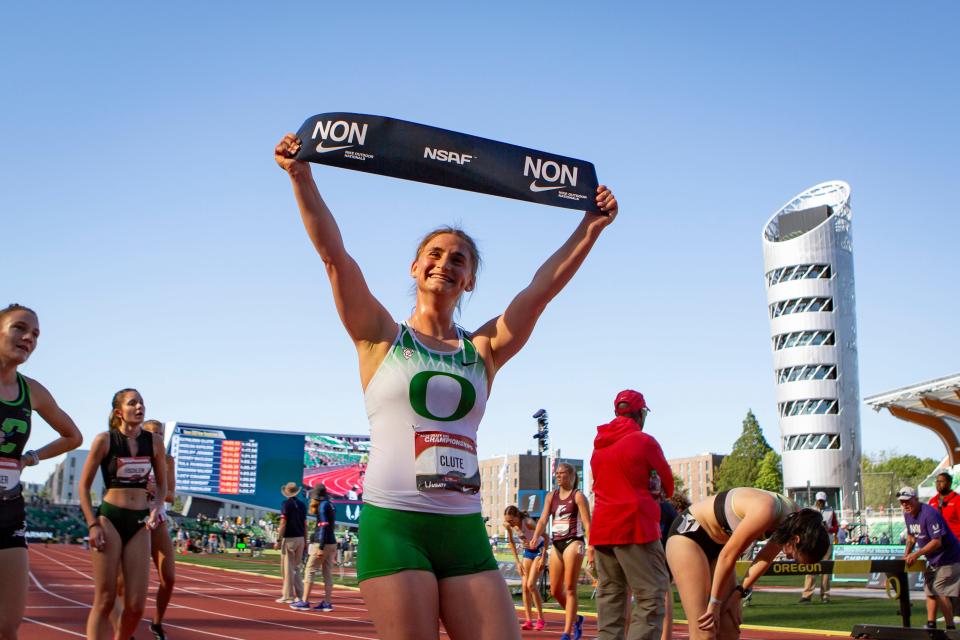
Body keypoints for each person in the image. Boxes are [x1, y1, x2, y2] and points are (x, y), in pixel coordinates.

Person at [275, 132, 617, 640]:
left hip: (463, 530)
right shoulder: (379, 336)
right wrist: (301, 176)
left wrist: (590, 228)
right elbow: (335, 257)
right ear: (415, 268)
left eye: (459, 259)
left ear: (470, 281)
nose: (445, 263)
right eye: (434, 254)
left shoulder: (483, 349)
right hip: (396, 525)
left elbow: (540, 292)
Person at [0, 304, 83, 639]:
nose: (28, 338)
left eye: (35, 334)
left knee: (8, 624)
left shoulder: (32, 391)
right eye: (19, 328)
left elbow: (73, 436)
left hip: (8, 511)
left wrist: (30, 458)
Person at [665, 488, 831, 640]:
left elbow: (764, 558)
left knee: (729, 628)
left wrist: (737, 596)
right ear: (796, 540)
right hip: (690, 535)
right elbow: (728, 556)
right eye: (794, 556)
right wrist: (714, 604)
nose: (788, 556)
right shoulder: (767, 509)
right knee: (704, 629)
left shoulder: (794, 522)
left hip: (719, 547)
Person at [79, 388, 166, 640]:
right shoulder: (104, 440)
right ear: (119, 412)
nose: (139, 407)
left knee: (137, 606)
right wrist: (92, 524)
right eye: (132, 403)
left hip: (140, 522)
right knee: (105, 599)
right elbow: (83, 486)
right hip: (109, 519)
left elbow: (162, 485)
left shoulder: (154, 442)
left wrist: (156, 508)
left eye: (141, 402)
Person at [590, 389, 673, 640]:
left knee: (610, 598)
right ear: (640, 413)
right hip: (635, 525)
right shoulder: (643, 441)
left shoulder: (599, 446)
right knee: (651, 596)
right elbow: (667, 485)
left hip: (603, 528)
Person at [530, 463, 591, 640]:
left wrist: (591, 547)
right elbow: (542, 519)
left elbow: (587, 523)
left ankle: (567, 633)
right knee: (555, 590)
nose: (558, 476)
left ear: (571, 475)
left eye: (562, 473)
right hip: (557, 543)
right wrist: (536, 535)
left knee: (570, 587)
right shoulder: (551, 496)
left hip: (574, 541)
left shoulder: (578, 496)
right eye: (556, 473)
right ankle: (577, 618)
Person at [900, 486, 960, 630]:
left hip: (949, 558)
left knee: (939, 590)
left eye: (908, 501)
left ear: (916, 499)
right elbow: (911, 537)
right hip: (933, 559)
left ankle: (950, 628)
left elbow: (936, 541)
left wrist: (916, 554)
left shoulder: (929, 514)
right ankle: (931, 624)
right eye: (902, 502)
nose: (905, 504)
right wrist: (906, 553)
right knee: (929, 591)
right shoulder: (907, 515)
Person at [142, 419, 177, 639]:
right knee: (128, 581)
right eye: (154, 433)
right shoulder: (132, 456)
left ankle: (157, 623)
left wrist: (155, 488)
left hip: (159, 519)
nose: (158, 437)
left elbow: (171, 495)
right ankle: (122, 623)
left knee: (169, 577)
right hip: (133, 518)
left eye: (161, 433)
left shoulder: (167, 460)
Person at [293, 484, 338, 611]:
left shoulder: (322, 506)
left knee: (310, 570)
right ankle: (327, 603)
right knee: (327, 573)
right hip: (332, 542)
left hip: (322, 542)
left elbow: (323, 526)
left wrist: (320, 547)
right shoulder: (331, 505)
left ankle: (305, 601)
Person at [504, 505, 548, 631]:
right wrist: (517, 562)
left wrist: (544, 556)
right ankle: (529, 621)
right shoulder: (509, 526)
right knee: (524, 587)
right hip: (527, 552)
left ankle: (541, 619)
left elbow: (546, 536)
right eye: (507, 521)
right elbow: (511, 543)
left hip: (539, 551)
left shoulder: (528, 523)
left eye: (511, 520)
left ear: (517, 517)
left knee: (531, 585)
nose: (509, 523)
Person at [799, 491, 838, 604]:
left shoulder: (831, 511)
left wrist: (828, 529)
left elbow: (836, 527)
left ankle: (825, 595)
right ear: (816, 500)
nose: (820, 502)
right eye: (819, 500)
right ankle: (807, 595)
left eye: (822, 501)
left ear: (825, 501)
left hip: (826, 543)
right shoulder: (810, 511)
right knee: (811, 568)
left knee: (826, 570)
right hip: (813, 542)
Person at [275, 482, 308, 605]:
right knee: (296, 568)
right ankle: (300, 595)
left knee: (287, 569)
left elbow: (283, 523)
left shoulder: (286, 504)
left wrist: (278, 540)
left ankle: (287, 596)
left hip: (289, 539)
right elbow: (305, 525)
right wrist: (305, 540)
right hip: (300, 538)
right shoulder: (302, 505)